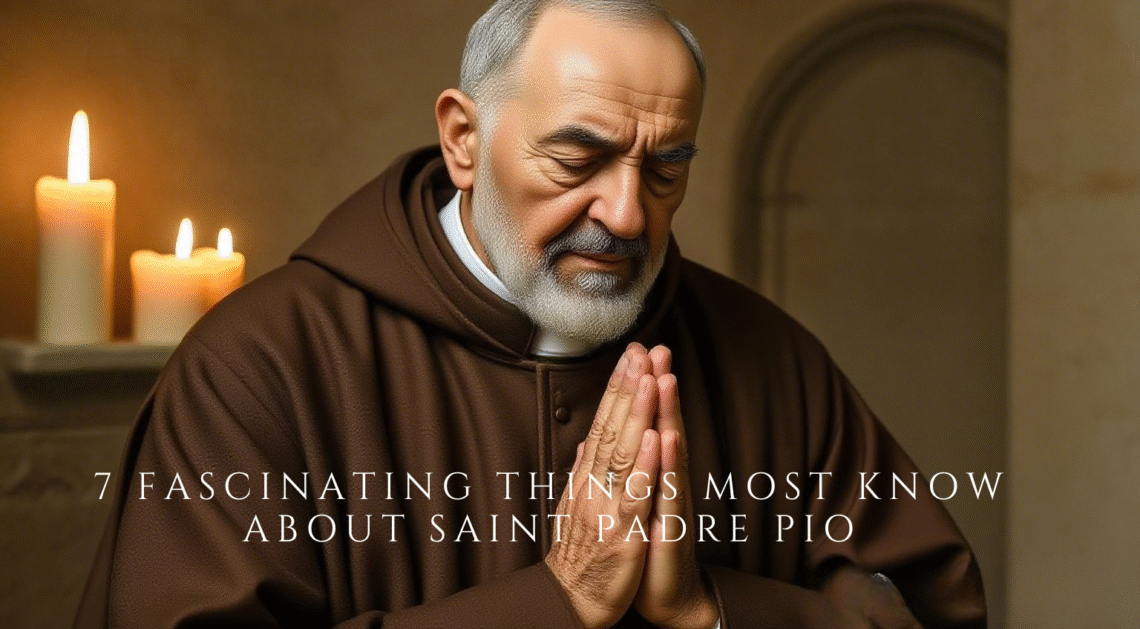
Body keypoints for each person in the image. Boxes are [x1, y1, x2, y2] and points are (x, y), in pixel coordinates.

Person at [73, 1, 986, 627]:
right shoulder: (258, 365)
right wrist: (558, 602)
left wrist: (710, 610)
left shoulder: (769, 355)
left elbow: (921, 605)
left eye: (666, 166)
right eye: (577, 158)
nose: (629, 213)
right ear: (464, 140)